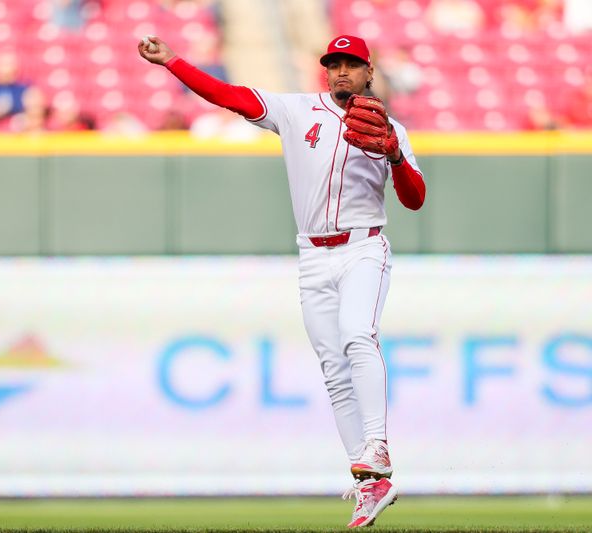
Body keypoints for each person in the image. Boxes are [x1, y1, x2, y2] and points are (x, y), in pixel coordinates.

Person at [138, 34, 426, 529]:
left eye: (351, 64)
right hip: (312, 255)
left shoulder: (390, 128)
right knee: (334, 372)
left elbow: (415, 199)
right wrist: (173, 63)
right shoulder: (295, 112)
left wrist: (396, 155)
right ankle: (370, 485)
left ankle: (377, 447)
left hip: (363, 246)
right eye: (333, 64)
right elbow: (228, 95)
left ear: (368, 72)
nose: (340, 72)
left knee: (358, 335)